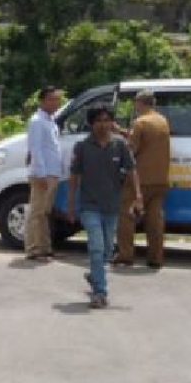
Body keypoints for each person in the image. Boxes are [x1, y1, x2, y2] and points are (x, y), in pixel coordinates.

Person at [65, 106, 142, 309]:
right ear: (91, 124)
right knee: (97, 248)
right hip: (89, 206)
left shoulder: (120, 146)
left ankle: (94, 274)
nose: (103, 125)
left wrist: (138, 196)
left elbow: (132, 171)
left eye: (107, 120)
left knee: (107, 251)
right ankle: (100, 293)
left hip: (111, 206)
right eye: (99, 121)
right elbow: (74, 176)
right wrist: (70, 204)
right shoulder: (81, 147)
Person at [114, 90, 171, 269]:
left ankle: (125, 255)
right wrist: (122, 131)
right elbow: (146, 141)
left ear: (140, 103)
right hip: (160, 179)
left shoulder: (140, 122)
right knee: (154, 220)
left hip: (140, 180)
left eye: (135, 103)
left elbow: (132, 149)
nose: (134, 106)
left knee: (126, 215)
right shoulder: (162, 120)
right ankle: (155, 258)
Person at [24, 86, 64, 262]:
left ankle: (45, 247)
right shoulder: (37, 121)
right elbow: (36, 148)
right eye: (52, 99)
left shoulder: (51, 120)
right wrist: (39, 173)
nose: (55, 103)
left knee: (45, 212)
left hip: (52, 171)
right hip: (43, 172)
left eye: (57, 99)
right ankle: (33, 248)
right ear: (42, 101)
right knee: (37, 211)